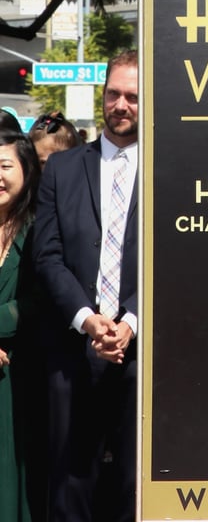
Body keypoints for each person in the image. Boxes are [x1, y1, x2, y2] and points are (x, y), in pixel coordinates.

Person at [33, 50, 139, 522]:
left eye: (134, 97)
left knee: (133, 491)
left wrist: (130, 322)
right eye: (114, 93)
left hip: (143, 360)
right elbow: (47, 255)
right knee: (70, 490)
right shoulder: (62, 169)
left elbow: (177, 262)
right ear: (103, 97)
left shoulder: (173, 171)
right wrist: (87, 319)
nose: (122, 104)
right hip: (74, 353)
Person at [0, 129, 42, 522]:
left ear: (27, 171)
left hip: (19, 376)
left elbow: (41, 301)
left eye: (4, 165)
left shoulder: (38, 228)